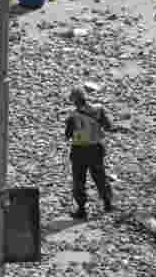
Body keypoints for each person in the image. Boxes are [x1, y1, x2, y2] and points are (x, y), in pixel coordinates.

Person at [65, 87, 114, 219]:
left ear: (74, 101)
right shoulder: (98, 109)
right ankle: (108, 203)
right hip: (95, 149)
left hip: (79, 151)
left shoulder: (72, 116)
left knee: (79, 180)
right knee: (100, 176)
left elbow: (68, 135)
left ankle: (81, 209)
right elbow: (108, 126)